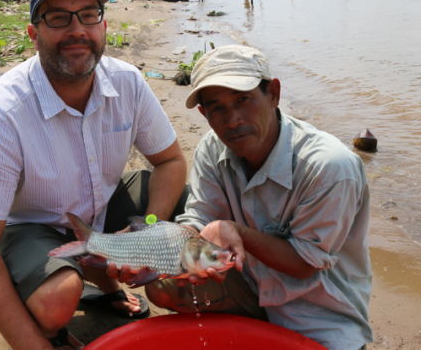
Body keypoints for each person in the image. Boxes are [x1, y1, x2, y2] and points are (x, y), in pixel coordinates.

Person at [0, 0, 187, 350]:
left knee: (190, 209)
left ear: (104, 26)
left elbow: (171, 161)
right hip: (32, 225)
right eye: (58, 18)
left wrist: (149, 227)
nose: (77, 30)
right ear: (34, 34)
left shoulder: (127, 83)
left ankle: (103, 275)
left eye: (88, 15)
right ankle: (52, 301)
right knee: (57, 299)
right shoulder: (0, 114)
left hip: (102, 206)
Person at [144, 45, 373, 350]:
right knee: (162, 285)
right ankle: (246, 331)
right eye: (217, 108)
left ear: (273, 94)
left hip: (320, 317)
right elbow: (198, 220)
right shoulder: (212, 149)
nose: (233, 120)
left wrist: (238, 232)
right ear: (204, 113)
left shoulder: (329, 167)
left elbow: (305, 263)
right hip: (251, 287)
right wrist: (147, 246)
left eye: (243, 100)